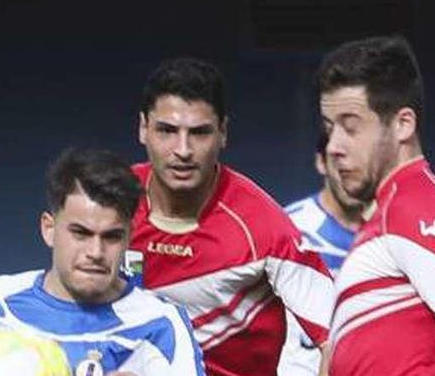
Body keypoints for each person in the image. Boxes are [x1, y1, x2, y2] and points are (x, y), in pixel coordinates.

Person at [317, 36, 435, 375]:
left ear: (402, 125)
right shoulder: (387, 215)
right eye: (329, 129)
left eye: (351, 128)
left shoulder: (419, 207)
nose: (334, 146)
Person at [127, 58, 334, 376]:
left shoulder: (264, 228)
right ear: (143, 128)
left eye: (199, 133)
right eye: (167, 130)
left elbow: (339, 337)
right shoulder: (114, 204)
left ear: (223, 132)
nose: (182, 149)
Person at [0, 147, 205, 376]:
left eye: (111, 236)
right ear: (49, 229)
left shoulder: (161, 323)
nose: (96, 252)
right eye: (80, 233)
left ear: (129, 237)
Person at [278, 134, 367, 376]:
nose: (349, 170)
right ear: (321, 161)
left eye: (360, 159)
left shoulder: (395, 237)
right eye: (339, 158)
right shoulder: (288, 231)